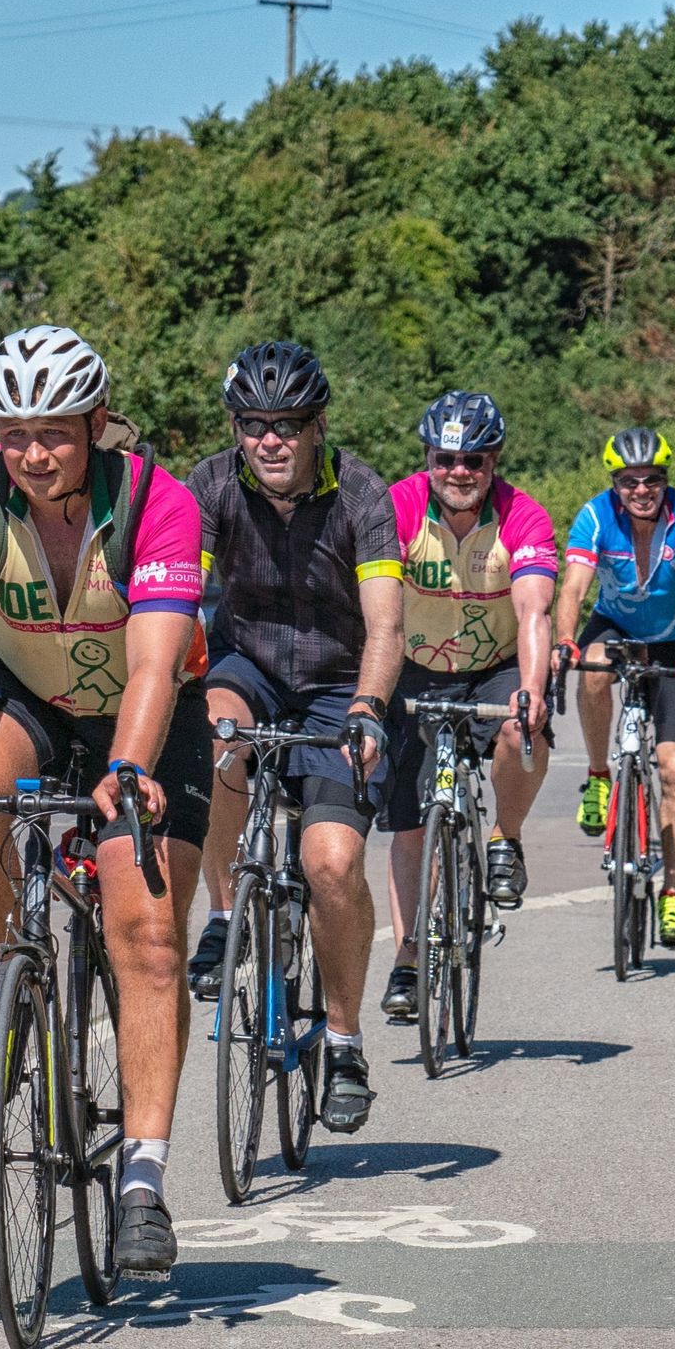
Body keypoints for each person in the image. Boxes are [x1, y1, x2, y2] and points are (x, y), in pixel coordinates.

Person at [0, 326, 209, 1278]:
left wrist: (127, 770)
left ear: (93, 425)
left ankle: (142, 1182)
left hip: (147, 713)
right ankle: (7, 981)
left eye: (54, 431)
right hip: (29, 695)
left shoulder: (155, 501)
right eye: (15, 433)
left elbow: (158, 660)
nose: (35, 453)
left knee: (149, 936)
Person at [185, 341, 403, 1132]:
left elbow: (386, 626)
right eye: (253, 424)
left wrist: (370, 707)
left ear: (316, 427)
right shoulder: (209, 485)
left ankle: (344, 1042)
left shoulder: (364, 497)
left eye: (287, 425)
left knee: (331, 864)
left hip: (342, 685)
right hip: (247, 667)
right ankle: (222, 914)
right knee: (212, 739)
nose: (269, 440)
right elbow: (181, 591)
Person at [376, 391, 556, 1021]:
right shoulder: (396, 507)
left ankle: (505, 837)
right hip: (416, 671)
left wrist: (530, 690)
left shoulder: (522, 516)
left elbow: (535, 609)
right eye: (446, 458)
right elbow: (370, 608)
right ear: (427, 457)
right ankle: (406, 956)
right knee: (410, 822)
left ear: (493, 461)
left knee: (519, 728)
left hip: (494, 667)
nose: (458, 471)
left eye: (473, 461)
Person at [554, 426, 675, 949]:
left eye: (652, 480)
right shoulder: (595, 515)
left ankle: (671, 895)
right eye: (629, 481)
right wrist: (564, 639)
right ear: (616, 483)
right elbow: (575, 586)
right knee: (596, 668)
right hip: (618, 628)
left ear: (665, 480)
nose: (641, 490)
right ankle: (601, 775)